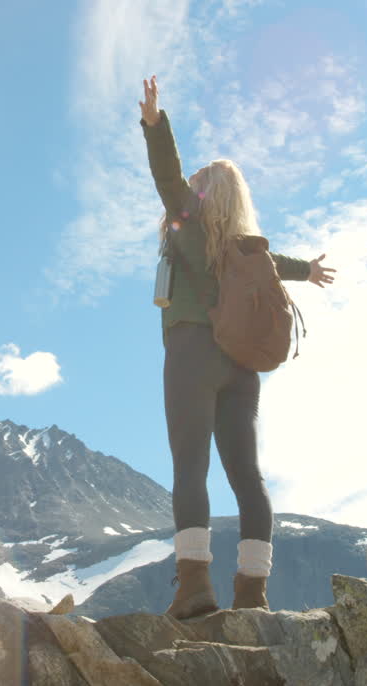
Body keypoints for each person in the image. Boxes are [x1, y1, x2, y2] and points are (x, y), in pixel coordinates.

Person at [139, 75, 336, 619]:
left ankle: (195, 587)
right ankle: (253, 593)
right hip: (242, 369)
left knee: (190, 468)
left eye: (197, 180)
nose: (189, 184)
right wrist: (310, 270)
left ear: (201, 193)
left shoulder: (188, 221)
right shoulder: (248, 250)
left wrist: (156, 125)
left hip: (192, 356)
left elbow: (165, 174)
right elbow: (281, 265)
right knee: (248, 478)